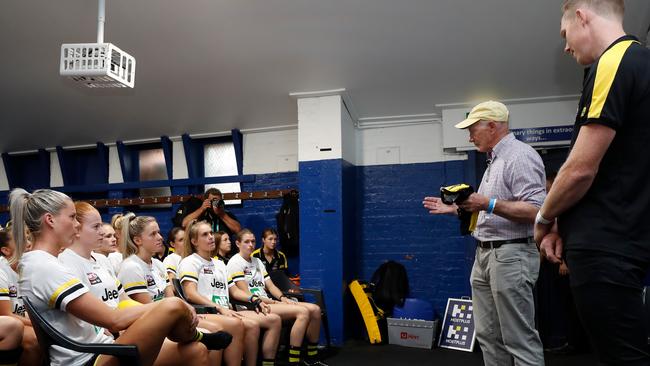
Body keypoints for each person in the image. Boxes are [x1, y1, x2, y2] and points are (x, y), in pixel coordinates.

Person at [534, 1, 650, 363]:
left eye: (565, 34)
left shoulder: (613, 62)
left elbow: (580, 169)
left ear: (582, 16)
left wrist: (545, 218)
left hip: (605, 246)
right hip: (628, 238)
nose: (566, 46)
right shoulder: (643, 63)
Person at [10, 188, 232, 366]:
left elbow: (115, 307)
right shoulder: (43, 265)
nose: (76, 225)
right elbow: (113, 319)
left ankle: (192, 336)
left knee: (196, 352)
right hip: (88, 358)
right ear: (50, 220)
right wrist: (173, 310)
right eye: (71, 217)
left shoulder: (42, 262)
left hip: (102, 346)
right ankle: (191, 333)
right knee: (173, 306)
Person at [423, 101, 546, 366]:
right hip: (485, 255)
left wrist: (487, 203)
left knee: (518, 338)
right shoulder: (494, 161)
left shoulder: (520, 156)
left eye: (472, 128)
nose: (469, 136)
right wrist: (455, 210)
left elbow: (537, 211)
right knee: (488, 336)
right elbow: (489, 212)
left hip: (511, 254)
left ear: (492, 125)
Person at [59, 201, 222, 365]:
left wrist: (149, 317)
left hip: (115, 336)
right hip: (94, 349)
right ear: (77, 229)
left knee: (197, 350)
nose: (102, 231)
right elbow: (105, 319)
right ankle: (191, 332)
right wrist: (163, 310)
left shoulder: (101, 260)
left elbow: (124, 300)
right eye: (96, 227)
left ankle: (189, 330)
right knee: (177, 313)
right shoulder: (66, 262)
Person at [179, 220, 282, 366]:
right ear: (194, 241)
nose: (210, 237)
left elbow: (234, 291)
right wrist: (219, 307)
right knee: (236, 324)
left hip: (225, 310)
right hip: (206, 312)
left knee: (256, 324)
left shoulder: (220, 264)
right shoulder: (190, 262)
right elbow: (190, 294)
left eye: (210, 233)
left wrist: (253, 298)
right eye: (205, 234)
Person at [228, 229, 327, 366]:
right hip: (254, 306)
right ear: (238, 243)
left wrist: (282, 298)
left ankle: (311, 357)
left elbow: (271, 286)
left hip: (269, 301)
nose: (251, 245)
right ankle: (294, 360)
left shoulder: (257, 261)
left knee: (315, 309)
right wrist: (275, 301)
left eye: (253, 241)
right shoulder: (235, 262)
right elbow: (247, 294)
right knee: (302, 312)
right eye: (246, 242)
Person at [0, 229, 42, 366]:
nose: (29, 244)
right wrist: (41, 325)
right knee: (36, 340)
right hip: (8, 325)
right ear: (6, 251)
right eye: (21, 241)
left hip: (19, 320)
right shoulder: (1, 270)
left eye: (28, 239)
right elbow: (5, 314)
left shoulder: (27, 268)